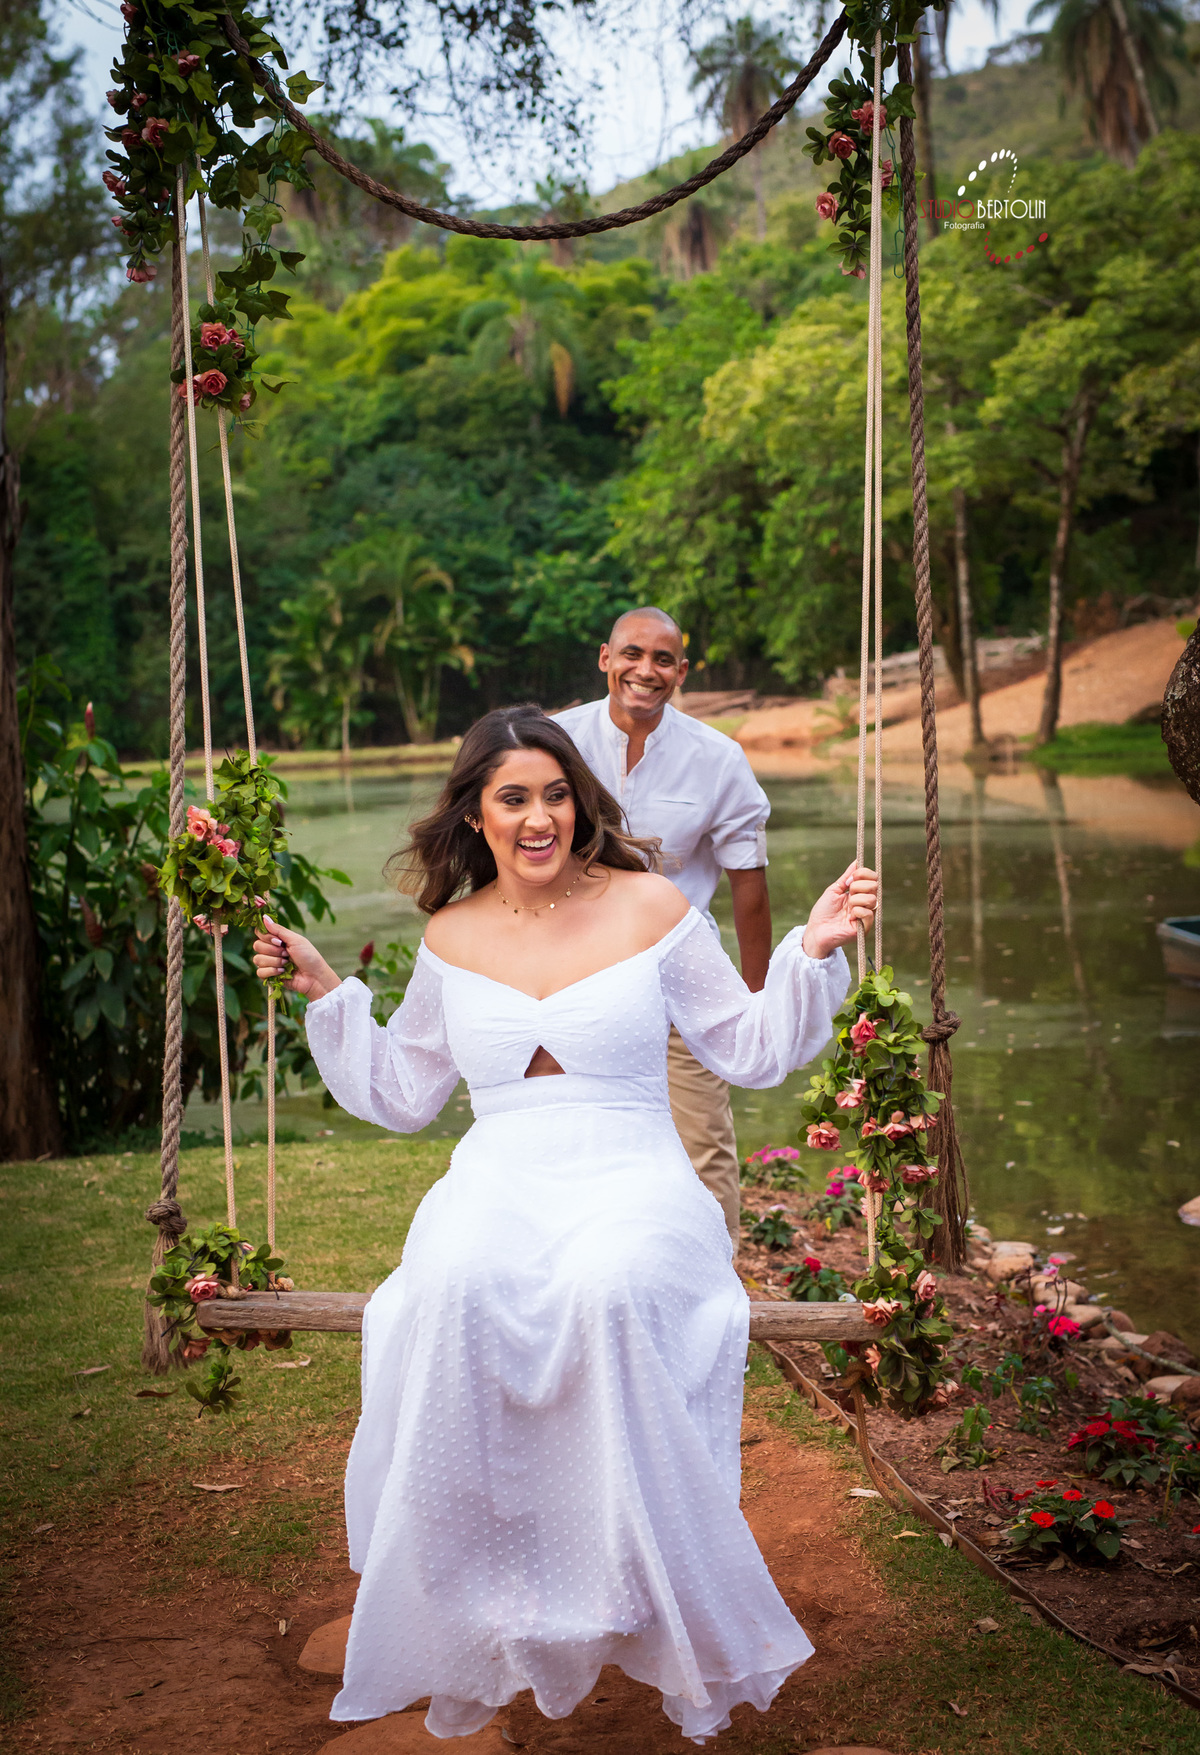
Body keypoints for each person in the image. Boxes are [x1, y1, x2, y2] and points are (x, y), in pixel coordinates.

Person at [252, 704, 877, 1745]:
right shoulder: (450, 937)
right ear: (477, 817)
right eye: (513, 800)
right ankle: (481, 1599)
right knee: (445, 1291)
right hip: (500, 1173)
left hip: (631, 1170)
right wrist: (329, 993)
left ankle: (624, 1577)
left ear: (581, 806)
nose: (537, 818)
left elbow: (747, 1046)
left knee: (609, 1291)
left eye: (554, 795)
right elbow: (409, 1092)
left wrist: (809, 951)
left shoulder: (651, 907)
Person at [556, 608, 770, 1250]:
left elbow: (750, 886)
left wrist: (755, 1002)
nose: (644, 671)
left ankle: (715, 1294)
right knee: (574, 1139)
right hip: (571, 977)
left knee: (703, 1147)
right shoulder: (552, 743)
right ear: (605, 658)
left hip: (683, 977)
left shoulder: (718, 759)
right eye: (632, 654)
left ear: (681, 670)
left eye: (662, 659)